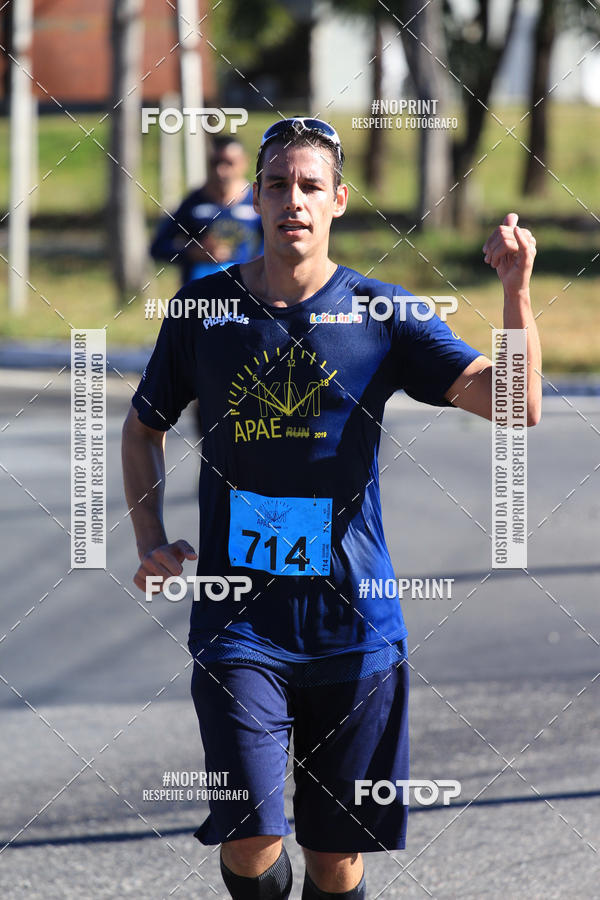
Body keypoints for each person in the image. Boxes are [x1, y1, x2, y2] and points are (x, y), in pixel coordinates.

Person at [122, 117, 541, 899]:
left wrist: (516, 294)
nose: (294, 200)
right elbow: (142, 428)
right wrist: (149, 536)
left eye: (311, 185)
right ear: (256, 197)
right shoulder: (203, 312)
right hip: (237, 620)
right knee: (251, 837)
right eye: (277, 184)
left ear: (339, 200)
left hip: (355, 623)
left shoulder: (383, 315)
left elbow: (515, 404)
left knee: (334, 860)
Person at [150, 135, 263, 286]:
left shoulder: (256, 202)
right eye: (215, 163)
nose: (221, 171)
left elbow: (275, 244)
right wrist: (194, 252)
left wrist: (254, 264)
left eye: (229, 163)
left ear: (244, 162)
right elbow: (158, 247)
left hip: (243, 294)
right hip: (199, 297)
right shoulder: (193, 203)